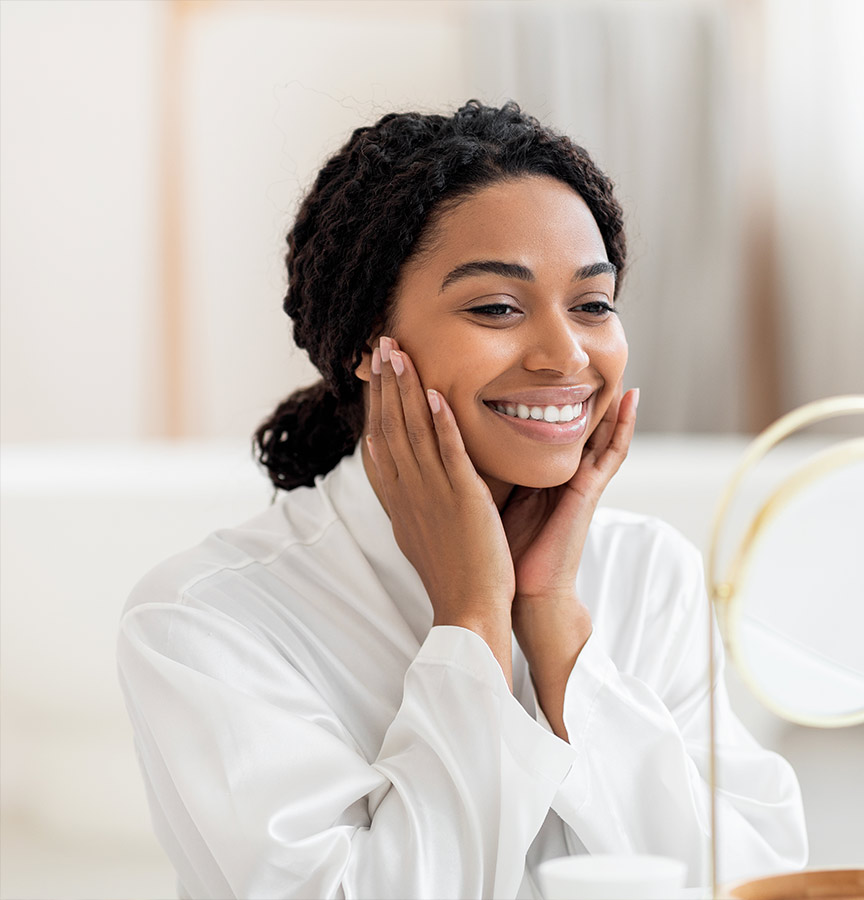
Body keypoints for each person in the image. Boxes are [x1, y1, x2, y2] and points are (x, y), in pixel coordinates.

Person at [116, 101, 807, 899]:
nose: (566, 355)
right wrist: (473, 621)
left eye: (593, 303)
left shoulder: (649, 573)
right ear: (364, 349)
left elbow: (761, 883)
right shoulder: (206, 622)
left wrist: (556, 630)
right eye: (496, 308)